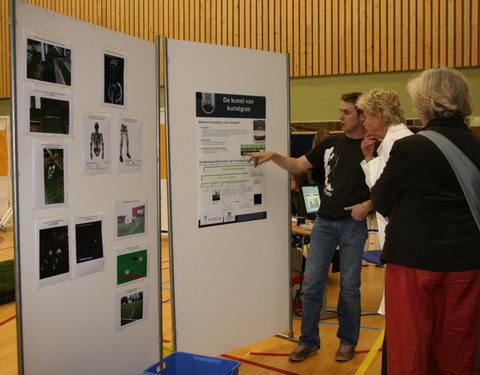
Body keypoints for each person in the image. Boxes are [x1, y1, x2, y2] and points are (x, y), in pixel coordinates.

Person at [371, 67, 480, 375]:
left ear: (425, 101)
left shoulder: (411, 147)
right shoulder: (476, 147)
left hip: (413, 262)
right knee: (458, 350)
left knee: (410, 349)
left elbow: (381, 201)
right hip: (467, 262)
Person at [248, 92, 371, 363]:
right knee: (312, 284)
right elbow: (297, 164)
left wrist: (368, 204)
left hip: (353, 225)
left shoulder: (374, 146)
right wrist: (274, 156)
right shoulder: (330, 143)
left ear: (362, 116)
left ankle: (348, 342)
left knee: (349, 289)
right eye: (340, 111)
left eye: (346, 112)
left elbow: (387, 185)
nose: (340, 116)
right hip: (324, 224)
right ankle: (308, 342)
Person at [356, 88, 413, 375]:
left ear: (379, 115)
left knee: (401, 322)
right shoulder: (390, 142)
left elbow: (384, 196)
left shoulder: (399, 143)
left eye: (365, 115)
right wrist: (369, 157)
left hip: (403, 242)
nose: (362, 121)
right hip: (399, 240)